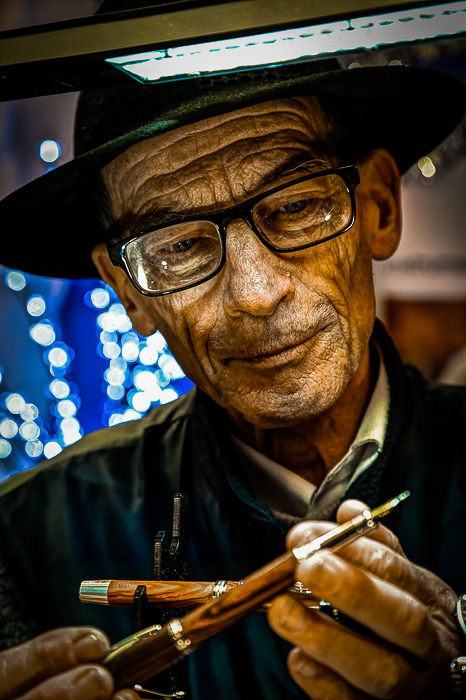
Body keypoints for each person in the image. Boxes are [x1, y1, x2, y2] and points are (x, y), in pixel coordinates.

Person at [0, 26, 466, 700]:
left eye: (299, 205)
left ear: (378, 206)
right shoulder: (23, 542)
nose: (255, 294)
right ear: (128, 290)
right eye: (180, 246)